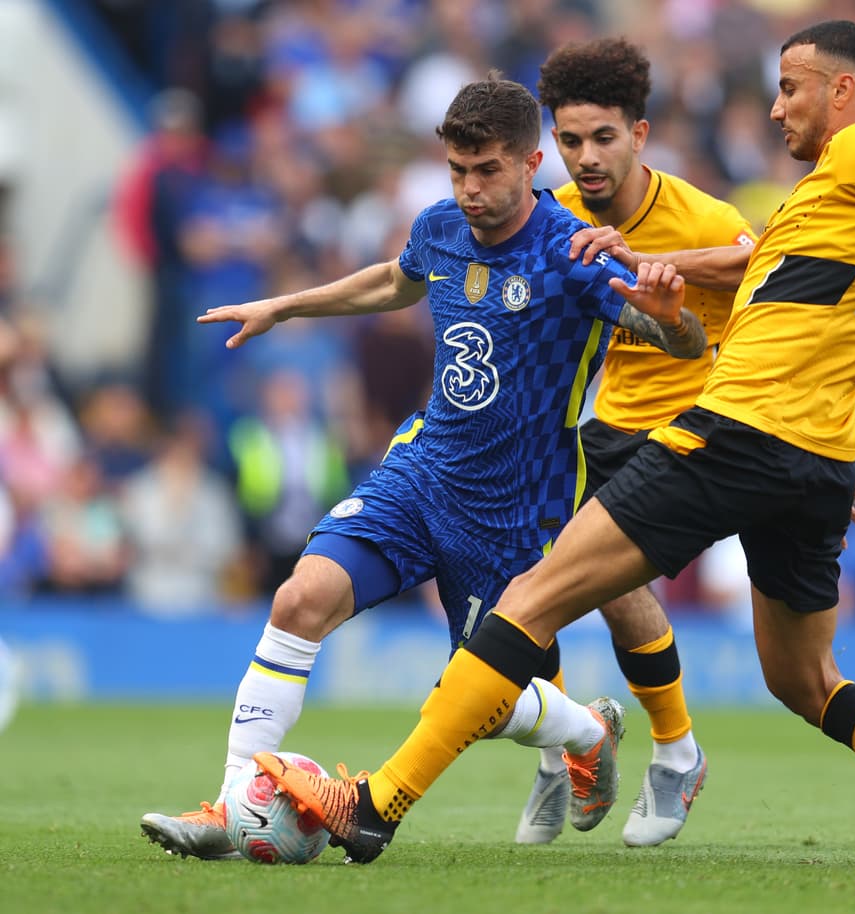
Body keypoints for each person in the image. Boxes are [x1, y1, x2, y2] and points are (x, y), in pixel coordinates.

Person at [251, 21, 855, 867]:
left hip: (733, 435)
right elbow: (750, 278)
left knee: (530, 600)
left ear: (844, 91)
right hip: (814, 459)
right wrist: (636, 265)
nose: (777, 107)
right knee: (807, 683)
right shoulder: (822, 208)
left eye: (792, 87)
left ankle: (375, 802)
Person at [140, 74, 707, 860]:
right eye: (457, 171)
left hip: (513, 507)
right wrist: (285, 305)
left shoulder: (572, 253)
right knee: (299, 598)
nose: (470, 190)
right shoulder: (439, 227)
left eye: (488, 172)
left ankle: (584, 730)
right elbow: (393, 280)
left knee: (479, 697)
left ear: (530, 161)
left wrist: (676, 321)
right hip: (422, 470)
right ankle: (232, 805)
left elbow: (680, 342)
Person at [529, 37, 757, 847]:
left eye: (603, 138)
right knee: (549, 573)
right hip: (609, 425)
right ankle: (595, 750)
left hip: (705, 426)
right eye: (569, 140)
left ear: (640, 134)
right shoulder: (550, 216)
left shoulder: (708, 220)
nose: (585, 158)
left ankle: (643, 748)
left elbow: (760, 291)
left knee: (576, 571)